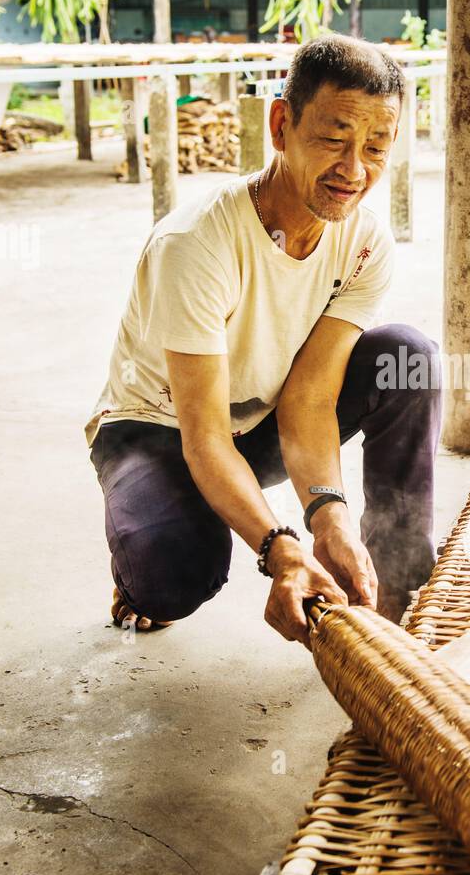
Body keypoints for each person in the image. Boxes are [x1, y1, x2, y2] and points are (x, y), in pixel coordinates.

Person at [85, 34, 442, 647]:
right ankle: (141, 567)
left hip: (260, 423)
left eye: (376, 147)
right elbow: (202, 436)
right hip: (161, 429)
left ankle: (394, 588)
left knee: (409, 359)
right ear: (281, 124)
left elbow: (308, 401)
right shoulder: (197, 243)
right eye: (333, 139)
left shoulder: (364, 242)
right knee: (175, 573)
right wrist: (282, 550)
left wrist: (329, 520)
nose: (354, 171)